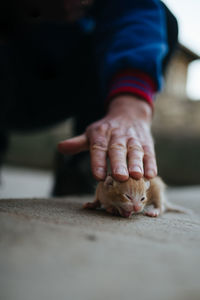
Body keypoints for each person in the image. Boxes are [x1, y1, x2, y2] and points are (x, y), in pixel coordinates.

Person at [0, 0, 178, 194]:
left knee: (161, 17)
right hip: (11, 77)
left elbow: (137, 13)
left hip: (62, 84)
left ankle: (87, 168)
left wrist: (132, 105)